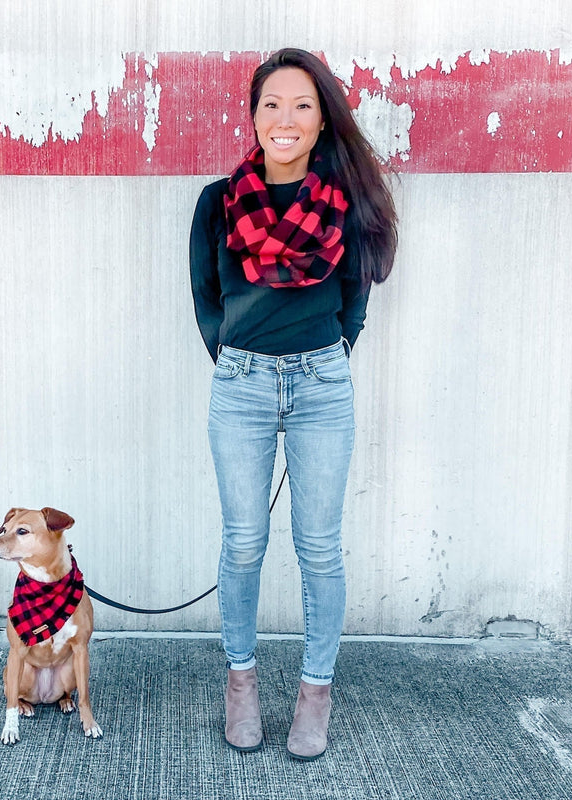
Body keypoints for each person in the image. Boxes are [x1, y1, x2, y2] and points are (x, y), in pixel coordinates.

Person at [189, 47, 397, 760]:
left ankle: (315, 693)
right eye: (272, 104)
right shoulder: (218, 202)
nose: (286, 118)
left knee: (319, 548)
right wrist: (239, 358)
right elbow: (206, 300)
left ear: (322, 120)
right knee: (244, 542)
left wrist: (322, 357)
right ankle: (241, 685)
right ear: (253, 116)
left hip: (321, 386)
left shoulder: (345, 202)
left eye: (302, 105)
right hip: (241, 385)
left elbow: (353, 301)